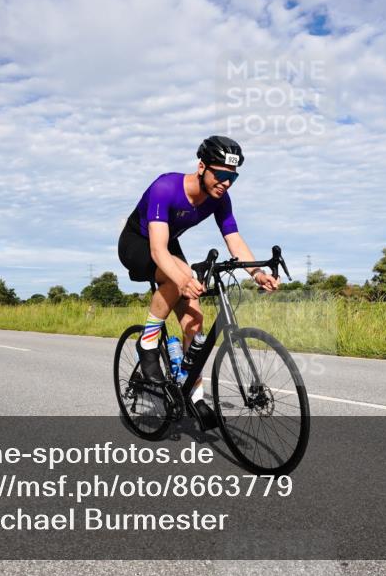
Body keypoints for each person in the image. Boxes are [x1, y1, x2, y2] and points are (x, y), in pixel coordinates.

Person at [118, 136, 279, 395]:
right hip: (137, 243)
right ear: (202, 167)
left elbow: (234, 239)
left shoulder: (220, 199)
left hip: (167, 244)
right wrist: (183, 280)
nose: (226, 183)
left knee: (196, 321)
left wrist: (256, 273)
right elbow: (158, 251)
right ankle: (147, 344)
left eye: (233, 178)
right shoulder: (166, 187)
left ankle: (194, 396)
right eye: (220, 175)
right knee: (181, 275)